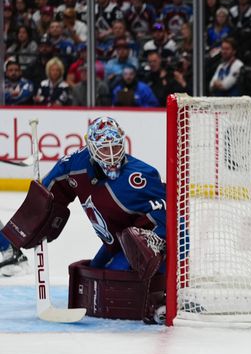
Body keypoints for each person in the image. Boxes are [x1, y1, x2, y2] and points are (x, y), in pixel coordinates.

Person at [1, 117, 167, 323]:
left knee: (113, 282)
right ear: (91, 149)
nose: (112, 155)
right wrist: (38, 213)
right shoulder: (75, 165)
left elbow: (173, 222)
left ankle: (165, 292)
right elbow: (50, 188)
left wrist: (154, 244)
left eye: (116, 147)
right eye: (104, 149)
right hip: (116, 242)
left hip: (143, 247)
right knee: (94, 273)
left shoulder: (141, 176)